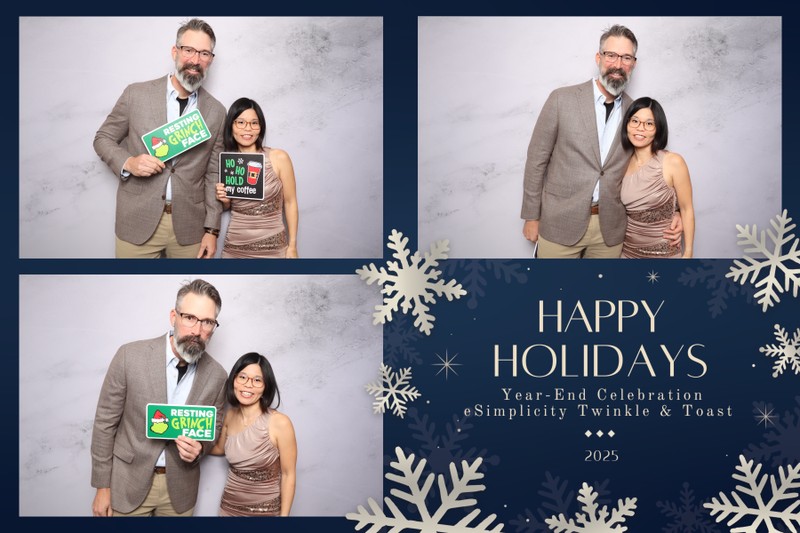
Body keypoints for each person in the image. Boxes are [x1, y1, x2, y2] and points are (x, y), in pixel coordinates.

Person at [520, 24, 681, 258]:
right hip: (559, 223)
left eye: (626, 57)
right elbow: (536, 160)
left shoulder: (635, 113)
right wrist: (531, 216)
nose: (618, 64)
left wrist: (675, 211)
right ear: (599, 58)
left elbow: (650, 163)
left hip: (610, 232)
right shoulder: (561, 99)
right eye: (611, 55)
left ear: (633, 64)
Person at [90, 279, 228, 516]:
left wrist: (199, 448)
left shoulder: (218, 375)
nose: (197, 331)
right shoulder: (129, 356)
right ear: (174, 316)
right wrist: (102, 486)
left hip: (180, 491)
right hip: (127, 483)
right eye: (190, 317)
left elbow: (213, 428)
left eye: (207, 322)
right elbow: (105, 423)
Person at [93, 18, 226, 259]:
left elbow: (213, 173)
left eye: (204, 53)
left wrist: (212, 229)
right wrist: (129, 163)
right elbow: (103, 138)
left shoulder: (217, 111)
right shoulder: (136, 94)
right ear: (175, 52)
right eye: (189, 50)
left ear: (211, 60)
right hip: (137, 221)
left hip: (190, 228)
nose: (195, 60)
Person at [210, 352, 297, 516]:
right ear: (234, 380)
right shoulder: (229, 416)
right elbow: (219, 449)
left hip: (265, 512)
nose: (248, 385)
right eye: (242, 377)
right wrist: (190, 442)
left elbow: (288, 474)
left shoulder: (280, 423)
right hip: (228, 508)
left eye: (257, 380)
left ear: (265, 387)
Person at [215, 98, 299, 258]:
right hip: (234, 247)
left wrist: (293, 246)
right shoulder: (227, 163)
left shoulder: (279, 157)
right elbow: (229, 207)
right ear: (231, 126)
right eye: (241, 122)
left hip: (273, 248)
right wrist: (224, 200)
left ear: (260, 127)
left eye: (254, 123)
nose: (248, 128)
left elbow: (290, 202)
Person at [620, 97, 694, 258]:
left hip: (664, 254)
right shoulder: (621, 163)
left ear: (658, 128)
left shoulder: (673, 162)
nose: (640, 128)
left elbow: (687, 209)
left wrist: (688, 252)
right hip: (627, 252)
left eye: (649, 123)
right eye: (635, 121)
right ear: (627, 124)